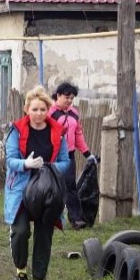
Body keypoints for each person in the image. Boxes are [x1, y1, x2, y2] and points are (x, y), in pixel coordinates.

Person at [4, 85, 70, 280]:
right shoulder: (17, 130)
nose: (39, 114)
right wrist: (26, 164)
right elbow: (10, 160)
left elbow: (65, 162)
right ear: (27, 110)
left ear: (48, 110)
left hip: (48, 191)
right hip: (21, 189)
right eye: (35, 109)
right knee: (21, 231)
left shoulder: (58, 133)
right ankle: (21, 273)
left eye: (43, 109)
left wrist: (47, 167)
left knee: (44, 235)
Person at [48, 82, 96, 230]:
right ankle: (50, 217)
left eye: (72, 98)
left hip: (69, 155)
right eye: (67, 97)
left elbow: (78, 134)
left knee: (70, 186)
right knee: (52, 187)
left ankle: (76, 219)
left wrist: (87, 153)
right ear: (58, 95)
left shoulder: (74, 113)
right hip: (51, 156)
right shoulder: (50, 113)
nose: (69, 101)